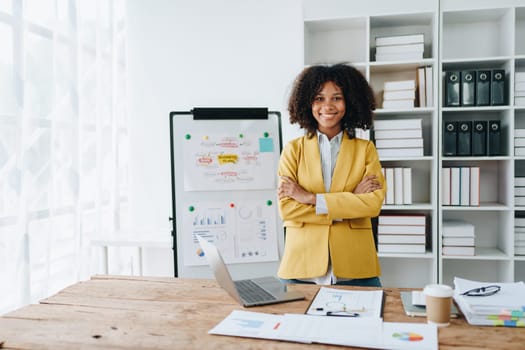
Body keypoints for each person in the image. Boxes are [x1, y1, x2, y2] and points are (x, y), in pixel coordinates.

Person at [277, 63, 385, 287]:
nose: (327, 106)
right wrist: (349, 201)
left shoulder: (366, 149)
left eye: (337, 98)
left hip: (356, 266)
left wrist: (310, 198)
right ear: (307, 102)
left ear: (350, 102)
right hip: (301, 266)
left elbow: (372, 205)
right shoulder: (293, 150)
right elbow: (287, 209)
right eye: (318, 98)